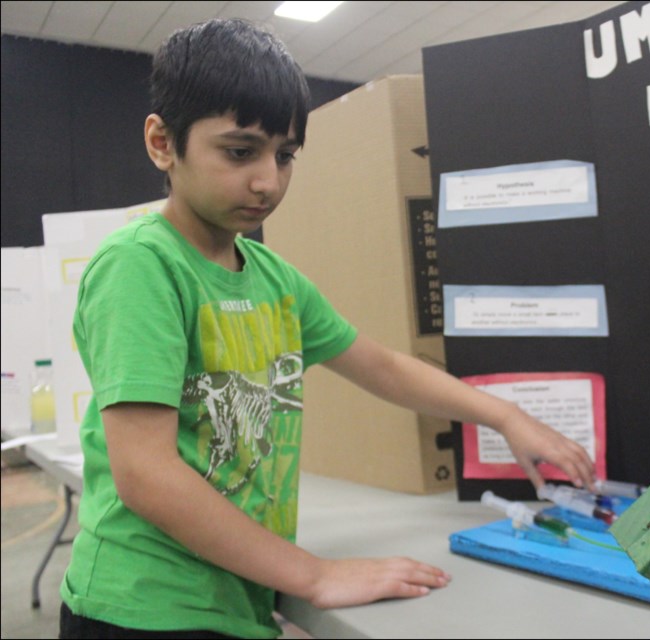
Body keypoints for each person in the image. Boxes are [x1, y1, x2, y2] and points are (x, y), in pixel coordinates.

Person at [59, 18, 596, 639]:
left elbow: (382, 367)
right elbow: (146, 476)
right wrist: (311, 576)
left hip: (233, 599)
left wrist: (504, 416)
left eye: (284, 155)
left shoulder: (274, 279)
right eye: (239, 151)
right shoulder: (141, 266)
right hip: (142, 609)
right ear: (162, 143)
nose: (268, 180)